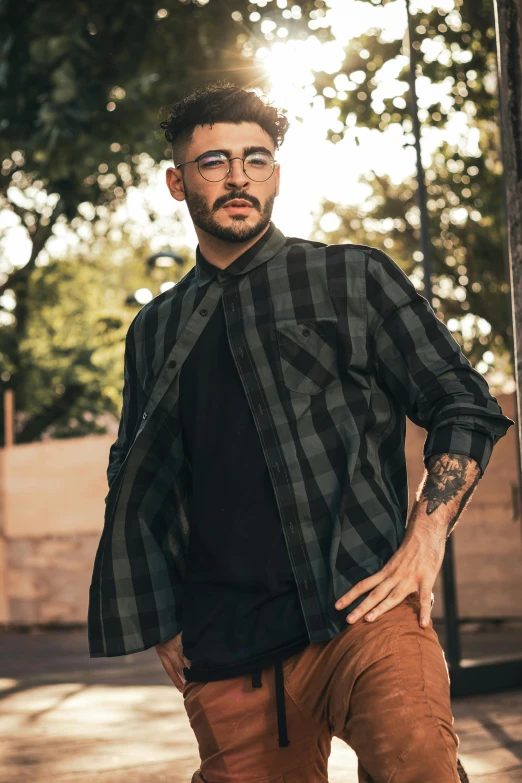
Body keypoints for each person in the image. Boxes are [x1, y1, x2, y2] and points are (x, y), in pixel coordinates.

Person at [88, 82, 513, 783]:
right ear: (177, 182)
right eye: (213, 162)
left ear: (275, 174)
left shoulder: (351, 276)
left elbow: (462, 404)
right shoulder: (155, 329)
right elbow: (140, 474)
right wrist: (161, 616)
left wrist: (425, 539)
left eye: (256, 160)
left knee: (422, 768)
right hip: (227, 643)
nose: (237, 178)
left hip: (364, 607)